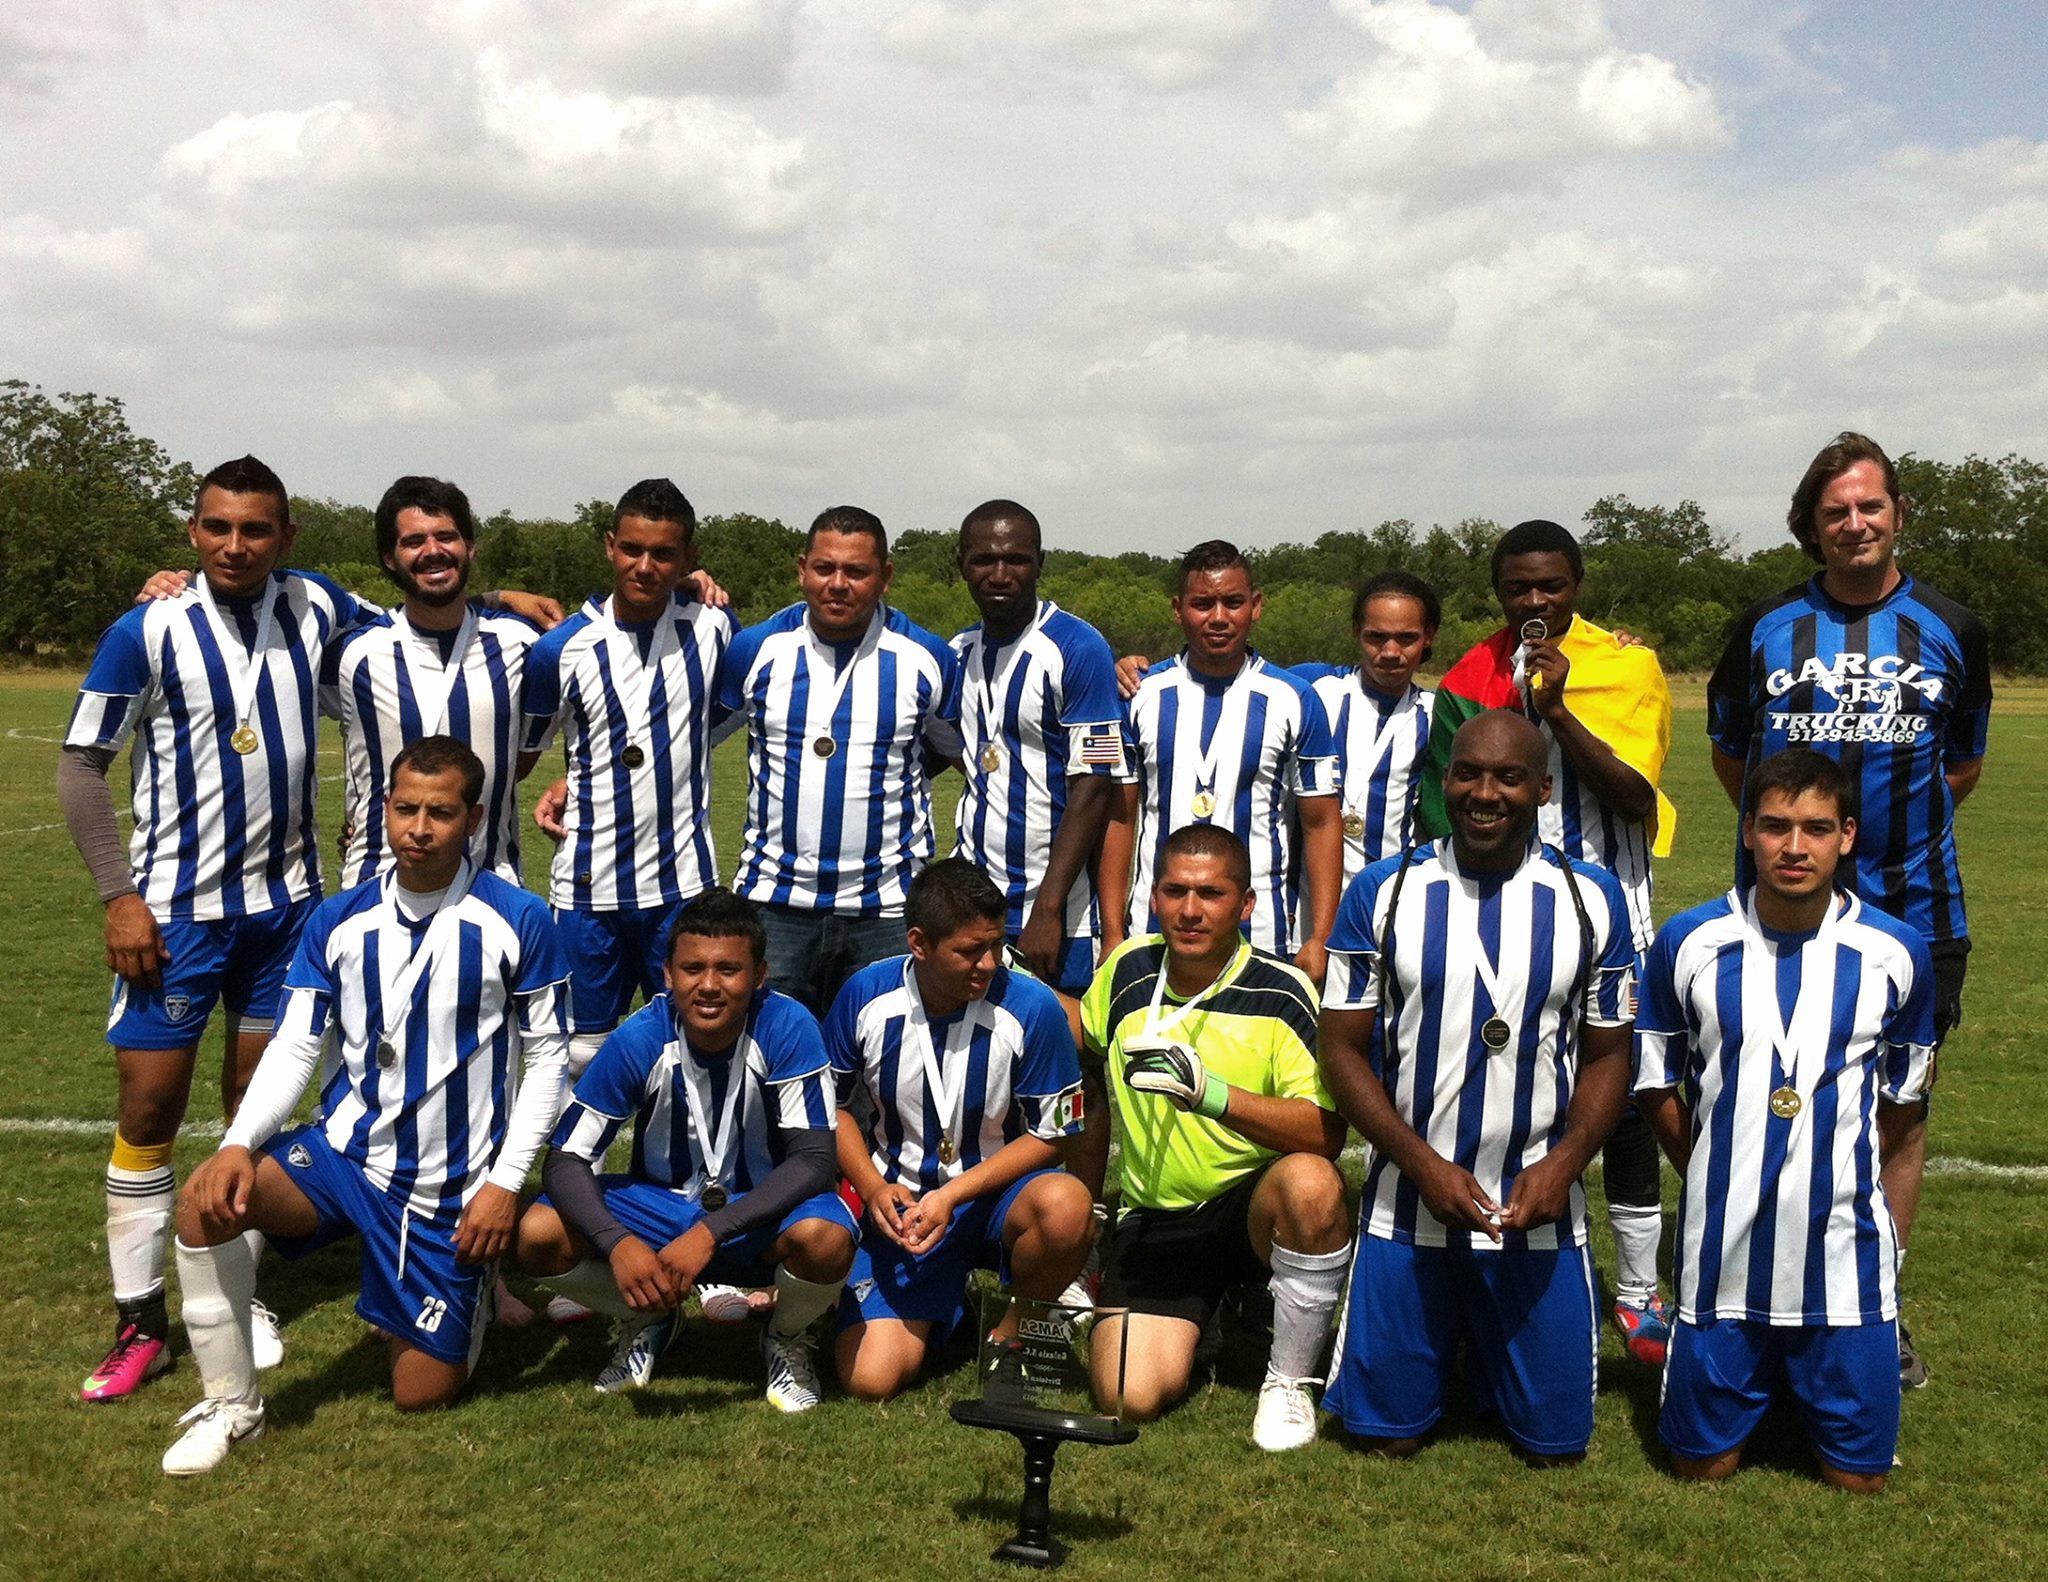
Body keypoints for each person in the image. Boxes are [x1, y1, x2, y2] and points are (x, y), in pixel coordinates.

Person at [158, 738, 569, 1474]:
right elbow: (293, 1047)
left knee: (420, 1395)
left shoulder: (519, 920)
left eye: (439, 814)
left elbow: (546, 1066)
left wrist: (505, 1184)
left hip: (451, 1188)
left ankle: (468, 1296)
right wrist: (237, 1143)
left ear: (473, 819)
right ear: (384, 808)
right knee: (206, 1204)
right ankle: (235, 1408)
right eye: (405, 808)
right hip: (344, 1155)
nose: (418, 828)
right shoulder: (339, 920)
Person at [59, 456, 366, 1400]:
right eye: (219, 527)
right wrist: (119, 895)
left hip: (285, 917)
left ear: (286, 536)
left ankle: (241, 1287)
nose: (237, 545)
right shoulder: (145, 628)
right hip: (175, 916)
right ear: (193, 531)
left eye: (257, 529)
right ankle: (137, 1319)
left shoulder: (317, 608)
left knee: (253, 1112)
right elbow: (81, 770)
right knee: (149, 1110)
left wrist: (512, 594)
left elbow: (429, 613)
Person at [1707, 432, 1990, 1390]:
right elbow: (1734, 761)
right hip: (1779, 915)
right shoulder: (1765, 625)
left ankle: (1878, 1305)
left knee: (1898, 1113)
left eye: (1870, 506)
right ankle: (1751, 1290)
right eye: (1836, 511)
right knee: (1760, 1099)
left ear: (1898, 513)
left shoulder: (1952, 623)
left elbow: (1964, 762)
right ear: (1810, 525)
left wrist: (1888, 840)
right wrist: (1801, 845)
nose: (1855, 523)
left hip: (1917, 915)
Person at [1320, 711, 1634, 1465]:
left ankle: (1497, 1357)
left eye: (1508, 777)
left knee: (1554, 1447)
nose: (1483, 792)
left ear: (1543, 790)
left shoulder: (1592, 898)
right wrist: (1419, 1163)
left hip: (1540, 1209)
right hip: (1408, 1205)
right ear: (1445, 781)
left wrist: (1567, 1162)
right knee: (1383, 1441)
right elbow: (1341, 1048)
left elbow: (1608, 1057)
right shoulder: (1383, 891)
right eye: (1467, 773)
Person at [1635, 748, 1934, 1492]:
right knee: (1701, 1470)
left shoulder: (1897, 953)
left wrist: (1888, 1239)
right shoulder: (1689, 943)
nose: (1793, 847)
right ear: (1747, 833)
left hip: (1845, 1260)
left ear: (1847, 837)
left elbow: (1904, 1114)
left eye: (1815, 828)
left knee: (1859, 1482)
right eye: (1774, 826)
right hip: (1722, 1256)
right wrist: (1711, 1167)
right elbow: (1655, 1085)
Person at [1419, 519, 1678, 1365]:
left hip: (1613, 915)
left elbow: (1636, 796)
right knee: (1498, 1080)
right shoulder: (1468, 672)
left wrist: (1557, 710)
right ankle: (1485, 1256)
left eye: (1551, 586)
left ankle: (1638, 1292)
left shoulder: (1626, 663)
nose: (1535, 602)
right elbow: (1445, 802)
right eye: (1517, 588)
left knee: (1631, 1097)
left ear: (1577, 584)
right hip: (1503, 916)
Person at [511, 889, 857, 1408]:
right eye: (693, 969)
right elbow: (564, 1160)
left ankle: (786, 1336)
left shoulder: (787, 1026)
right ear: (668, 975)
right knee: (539, 1234)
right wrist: (618, 1244)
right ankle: (647, 1314)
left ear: (759, 975)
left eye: (729, 970)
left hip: (757, 1215)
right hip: (662, 1211)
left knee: (825, 1238)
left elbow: (814, 1160)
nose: (710, 986)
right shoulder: (641, 1038)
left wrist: (711, 1232)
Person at [1082, 825, 1351, 1451]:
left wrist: (1214, 1097)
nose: (1191, 910)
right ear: (1153, 898)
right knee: (1126, 1395)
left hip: (1251, 1212)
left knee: (1312, 1183)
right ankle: (1208, 1324)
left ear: (1247, 904)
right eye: (1175, 891)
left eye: (1212, 893)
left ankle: (1288, 1380)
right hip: (1156, 1219)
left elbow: (1326, 1132)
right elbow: (1085, 1049)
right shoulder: (1127, 971)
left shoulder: (1284, 992)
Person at [826, 858, 1094, 1401]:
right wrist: (875, 1190)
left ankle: (1010, 1334)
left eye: (995, 945)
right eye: (970, 951)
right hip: (903, 1207)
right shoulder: (866, 996)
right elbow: (830, 1108)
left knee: (1068, 1206)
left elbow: (1057, 1133)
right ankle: (944, 1302)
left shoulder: (1034, 1007)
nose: (989, 963)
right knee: (869, 1381)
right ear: (919, 943)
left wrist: (953, 1194)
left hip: (995, 1196)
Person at [522, 480, 741, 1078]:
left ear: (688, 559)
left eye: (664, 554)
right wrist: (567, 780)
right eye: (632, 549)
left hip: (683, 884)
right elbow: (524, 754)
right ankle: (569, 1170)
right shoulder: (560, 651)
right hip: (589, 889)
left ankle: (679, 1169)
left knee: (694, 1045)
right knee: (575, 1054)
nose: (645, 566)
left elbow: (714, 724)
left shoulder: (716, 629)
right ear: (609, 547)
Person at [716, 506, 964, 1018]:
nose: (838, 584)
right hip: (774, 904)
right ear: (801, 568)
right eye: (825, 568)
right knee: (774, 1061)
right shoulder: (755, 649)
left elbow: (961, 750)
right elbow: (688, 742)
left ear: (886, 577)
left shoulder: (927, 658)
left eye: (856, 571)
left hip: (888, 909)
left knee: (883, 1071)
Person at [949, 498, 1126, 1198]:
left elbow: (1097, 779)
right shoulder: (958, 652)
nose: (1001, 572)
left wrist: (1049, 903)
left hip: (1060, 907)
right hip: (973, 900)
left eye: (1016, 557)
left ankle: (1079, 1226)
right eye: (985, 558)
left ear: (1039, 564)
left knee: (1077, 1067)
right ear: (961, 564)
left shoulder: (1077, 647)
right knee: (978, 1059)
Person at [1101, 540, 1340, 983]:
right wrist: (1113, 932)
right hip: (1152, 931)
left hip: (1263, 934)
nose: (1217, 617)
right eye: (1201, 603)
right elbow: (1119, 815)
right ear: (1178, 609)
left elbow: (1322, 822)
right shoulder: (1137, 694)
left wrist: (1319, 936)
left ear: (1256, 606)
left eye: (1232, 602)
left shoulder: (1294, 698)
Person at [324, 476, 542, 887]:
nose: (433, 551)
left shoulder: (522, 644)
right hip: (376, 889)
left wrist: (685, 589)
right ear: (389, 557)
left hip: (492, 886)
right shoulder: (352, 654)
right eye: (413, 541)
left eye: (446, 536)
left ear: (470, 546)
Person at [1291, 570, 1440, 886]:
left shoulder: (1435, 713)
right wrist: (1156, 671)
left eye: (1406, 638)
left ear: (1428, 635)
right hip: (1306, 898)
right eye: (1376, 637)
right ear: (1357, 631)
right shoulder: (1314, 689)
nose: (1390, 652)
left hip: (1394, 895)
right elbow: (1237, 677)